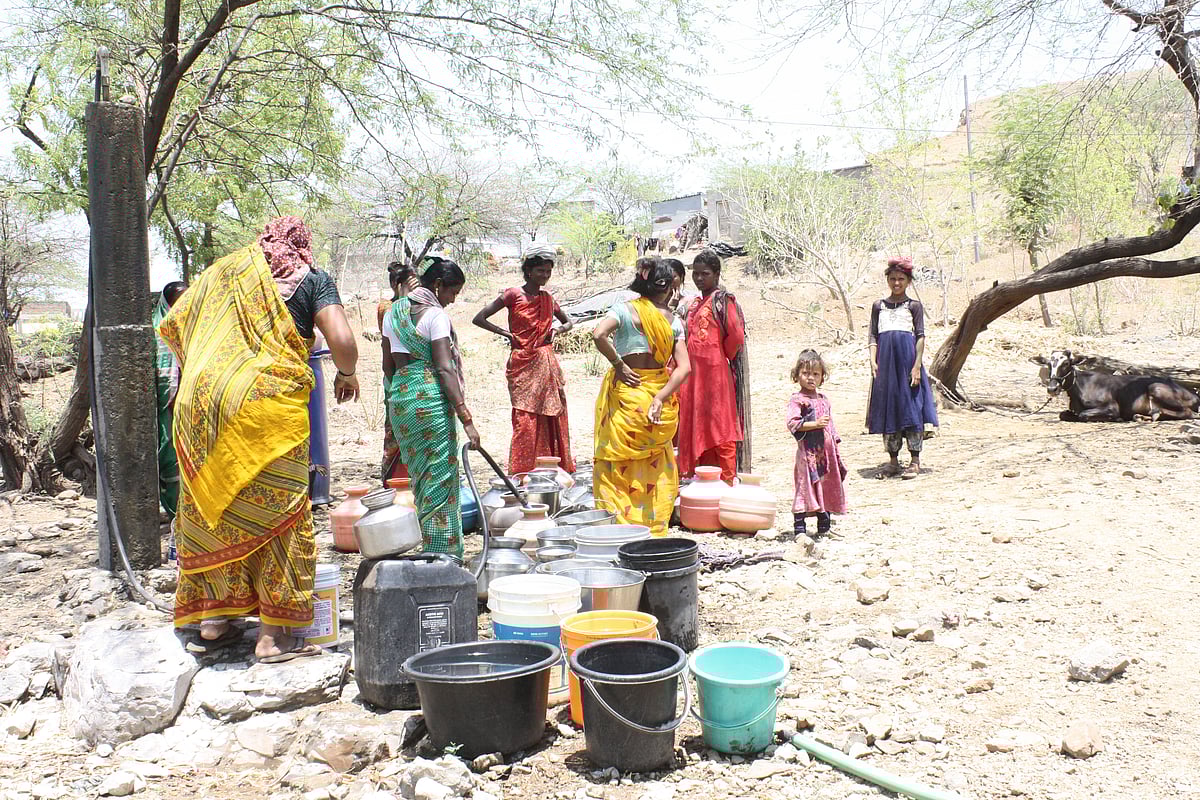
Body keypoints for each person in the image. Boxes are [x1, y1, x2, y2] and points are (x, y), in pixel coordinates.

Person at [159, 216, 359, 662]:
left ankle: (212, 622)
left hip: (200, 404)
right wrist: (347, 373)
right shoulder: (310, 278)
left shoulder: (224, 272)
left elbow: (174, 327)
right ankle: (275, 637)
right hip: (263, 408)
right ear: (302, 246)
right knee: (280, 515)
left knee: (215, 507)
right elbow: (342, 341)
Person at [384, 257, 479, 558]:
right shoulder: (435, 316)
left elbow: (387, 367)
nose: (452, 300)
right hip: (430, 400)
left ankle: (428, 548)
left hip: (401, 399)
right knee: (440, 478)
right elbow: (445, 369)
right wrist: (466, 418)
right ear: (437, 286)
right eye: (452, 292)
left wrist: (405, 391)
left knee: (420, 477)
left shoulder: (391, 312)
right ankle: (443, 555)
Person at [590, 258, 691, 536]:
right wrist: (659, 398)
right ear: (670, 287)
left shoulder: (623, 310)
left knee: (618, 461)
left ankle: (621, 528)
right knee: (655, 464)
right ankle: (651, 527)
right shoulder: (674, 321)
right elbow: (685, 368)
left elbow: (598, 333)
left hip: (627, 394)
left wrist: (619, 364)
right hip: (656, 395)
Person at [472, 245, 575, 475]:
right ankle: (522, 471)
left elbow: (568, 322)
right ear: (528, 271)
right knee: (524, 419)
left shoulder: (548, 298)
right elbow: (479, 318)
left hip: (546, 362)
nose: (545, 276)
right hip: (522, 363)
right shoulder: (512, 294)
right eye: (540, 271)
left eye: (548, 271)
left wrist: (557, 331)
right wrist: (506, 334)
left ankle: (551, 469)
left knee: (552, 416)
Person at [676, 250, 749, 483]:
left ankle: (727, 480)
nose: (699, 279)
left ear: (716, 274)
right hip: (694, 376)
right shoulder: (695, 303)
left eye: (704, 274)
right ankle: (703, 480)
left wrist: (719, 356)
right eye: (695, 274)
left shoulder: (722, 300)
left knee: (720, 425)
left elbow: (736, 336)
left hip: (716, 374)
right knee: (700, 423)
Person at [867, 257, 939, 479]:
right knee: (890, 408)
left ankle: (915, 461)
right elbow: (873, 335)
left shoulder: (913, 306)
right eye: (892, 279)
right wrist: (872, 360)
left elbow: (920, 336)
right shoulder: (878, 306)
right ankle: (893, 461)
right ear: (887, 280)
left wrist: (916, 366)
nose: (896, 283)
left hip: (907, 364)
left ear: (908, 281)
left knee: (911, 408)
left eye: (901, 279)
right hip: (885, 366)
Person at [786, 349, 847, 539]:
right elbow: (793, 423)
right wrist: (814, 424)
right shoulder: (798, 400)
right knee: (805, 486)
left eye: (815, 374)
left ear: (822, 377)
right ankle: (800, 530)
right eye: (805, 373)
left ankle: (824, 527)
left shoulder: (824, 400)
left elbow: (831, 426)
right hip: (808, 454)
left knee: (826, 486)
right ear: (797, 376)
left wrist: (835, 446)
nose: (810, 378)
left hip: (826, 454)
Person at [380, 262, 419, 483]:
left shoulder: (419, 307)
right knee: (396, 432)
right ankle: (393, 479)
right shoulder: (387, 310)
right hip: (395, 378)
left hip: (412, 379)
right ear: (398, 285)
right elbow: (390, 352)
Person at [153, 281, 187, 521]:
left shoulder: (194, 328)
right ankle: (176, 511)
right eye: (178, 301)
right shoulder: (159, 330)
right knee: (169, 455)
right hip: (167, 407)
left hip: (191, 405)